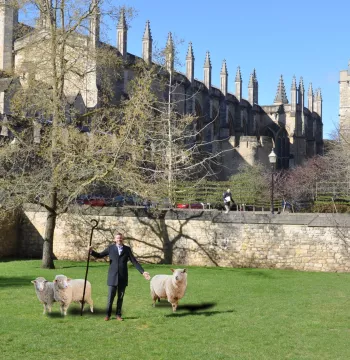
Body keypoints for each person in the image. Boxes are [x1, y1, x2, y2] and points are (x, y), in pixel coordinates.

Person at [89, 232, 150, 321]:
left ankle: (118, 315)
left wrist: (143, 272)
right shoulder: (110, 248)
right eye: (117, 238)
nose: (119, 239)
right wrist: (91, 251)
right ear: (115, 239)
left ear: (123, 239)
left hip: (123, 277)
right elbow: (99, 255)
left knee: (120, 298)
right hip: (112, 277)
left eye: (120, 238)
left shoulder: (127, 249)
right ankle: (107, 315)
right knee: (110, 298)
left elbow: (134, 261)